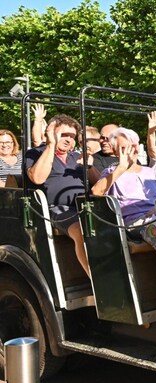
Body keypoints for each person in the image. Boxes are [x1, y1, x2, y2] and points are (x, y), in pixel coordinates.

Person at [26, 114, 99, 277]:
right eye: (64, 135)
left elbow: (97, 183)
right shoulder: (36, 153)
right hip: (59, 208)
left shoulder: (76, 156)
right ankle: (98, 282)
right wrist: (51, 145)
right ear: (51, 133)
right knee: (82, 231)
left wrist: (89, 167)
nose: (68, 140)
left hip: (87, 204)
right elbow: (37, 178)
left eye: (72, 137)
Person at [91, 128, 156, 254]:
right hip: (135, 221)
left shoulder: (150, 171)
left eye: (134, 145)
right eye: (125, 148)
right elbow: (96, 192)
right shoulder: (111, 172)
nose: (132, 150)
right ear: (116, 151)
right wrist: (121, 168)